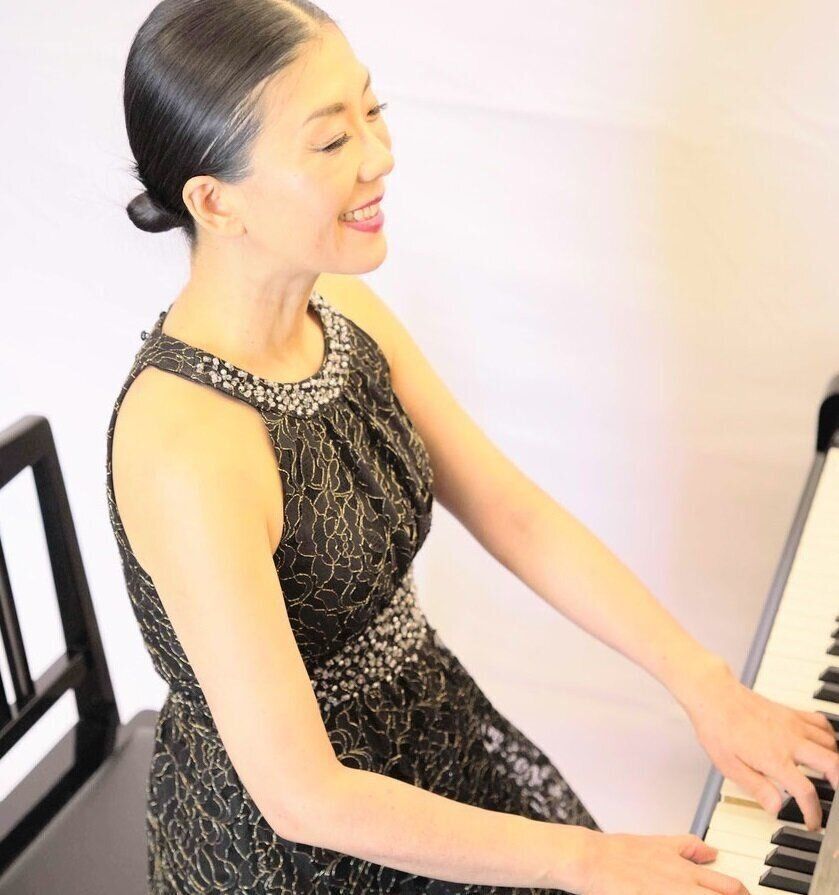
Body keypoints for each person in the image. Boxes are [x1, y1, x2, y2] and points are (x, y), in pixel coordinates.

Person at [106, 1, 839, 892]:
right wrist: (584, 858)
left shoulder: (343, 314)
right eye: (331, 140)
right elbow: (303, 795)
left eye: (372, 111)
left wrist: (705, 684)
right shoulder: (185, 445)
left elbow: (512, 513)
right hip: (292, 852)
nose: (379, 155)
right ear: (215, 201)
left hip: (427, 737)